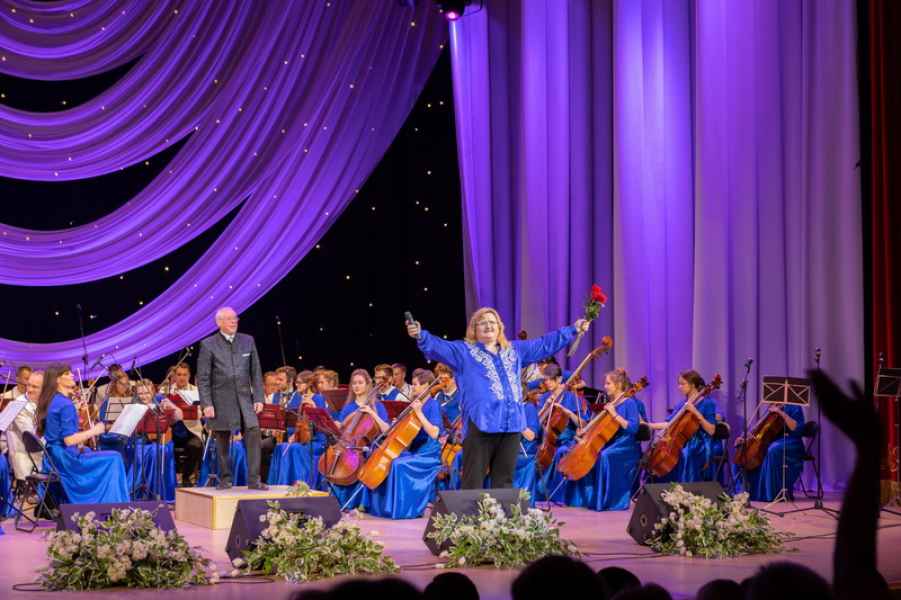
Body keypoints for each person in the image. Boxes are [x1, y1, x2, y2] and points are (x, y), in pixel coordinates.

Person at [408, 307, 588, 489]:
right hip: (481, 424)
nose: (488, 326)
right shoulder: (464, 352)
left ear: (500, 327)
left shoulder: (514, 350)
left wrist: (572, 329)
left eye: (492, 322)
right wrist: (420, 335)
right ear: (474, 329)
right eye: (483, 323)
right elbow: (438, 346)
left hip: (511, 424)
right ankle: (472, 509)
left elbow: (544, 344)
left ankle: (501, 509)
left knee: (504, 482)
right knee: (473, 482)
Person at [35, 364, 129, 504]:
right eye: (67, 373)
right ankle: (113, 505)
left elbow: (57, 435)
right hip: (66, 460)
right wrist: (95, 430)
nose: (72, 375)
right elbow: (69, 440)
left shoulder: (52, 400)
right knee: (114, 457)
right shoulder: (65, 404)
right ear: (57, 380)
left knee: (88, 450)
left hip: (53, 458)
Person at [196, 306, 267, 490]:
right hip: (221, 400)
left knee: (253, 432)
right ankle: (226, 479)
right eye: (229, 319)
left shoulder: (247, 340)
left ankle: (254, 479)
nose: (234, 321)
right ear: (219, 322)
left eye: (235, 318)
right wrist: (206, 403)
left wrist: (259, 397)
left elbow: (256, 371)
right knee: (222, 438)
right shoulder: (208, 344)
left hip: (245, 400)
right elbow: (203, 378)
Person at [362, 368, 443, 518]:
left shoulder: (433, 405)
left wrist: (418, 412)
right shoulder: (414, 405)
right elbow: (400, 432)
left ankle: (401, 509)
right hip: (414, 450)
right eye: (412, 384)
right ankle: (379, 508)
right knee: (388, 460)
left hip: (428, 452)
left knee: (398, 464)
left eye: (416, 384)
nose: (413, 388)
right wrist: (397, 423)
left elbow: (434, 433)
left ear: (426, 386)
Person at [561, 368, 646, 510]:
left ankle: (608, 501)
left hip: (626, 445)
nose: (605, 387)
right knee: (588, 453)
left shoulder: (629, 403)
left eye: (608, 383)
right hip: (611, 442)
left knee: (604, 456)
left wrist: (614, 414)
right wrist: (585, 432)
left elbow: (633, 428)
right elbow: (601, 427)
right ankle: (584, 499)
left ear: (618, 385)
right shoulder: (610, 403)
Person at [326, 369, 389, 508]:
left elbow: (386, 430)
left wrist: (372, 412)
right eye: (354, 383)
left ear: (367, 385)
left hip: (369, 447)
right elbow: (342, 430)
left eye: (360, 383)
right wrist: (337, 425)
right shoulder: (349, 407)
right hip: (348, 445)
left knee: (361, 460)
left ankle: (360, 501)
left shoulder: (377, 406)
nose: (356, 386)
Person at [647, 370, 720, 483]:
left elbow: (711, 430)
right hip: (683, 441)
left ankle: (687, 490)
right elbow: (669, 424)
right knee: (660, 456)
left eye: (682, 384)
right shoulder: (682, 404)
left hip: (700, 442)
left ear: (693, 385)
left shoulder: (708, 403)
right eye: (678, 384)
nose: (679, 387)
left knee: (686, 453)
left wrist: (696, 412)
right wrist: (649, 425)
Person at [535, 364, 590, 503]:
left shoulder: (571, 397)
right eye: (545, 380)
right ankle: (538, 492)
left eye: (550, 379)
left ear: (559, 379)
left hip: (567, 440)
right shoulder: (544, 398)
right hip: (547, 439)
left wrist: (568, 412)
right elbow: (537, 423)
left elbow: (583, 424)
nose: (547, 383)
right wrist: (546, 407)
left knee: (562, 451)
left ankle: (557, 495)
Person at [733, 402, 806, 502]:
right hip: (772, 440)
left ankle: (771, 493)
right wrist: (746, 439)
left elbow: (797, 429)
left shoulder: (795, 406)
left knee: (773, 449)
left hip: (791, 441)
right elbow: (761, 430)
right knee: (743, 450)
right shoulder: (774, 406)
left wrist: (780, 412)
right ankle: (743, 491)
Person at [160, 362, 203, 487]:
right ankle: (170, 478)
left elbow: (201, 412)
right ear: (175, 376)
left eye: (185, 375)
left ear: (189, 376)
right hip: (172, 429)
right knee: (166, 447)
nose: (182, 378)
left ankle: (186, 477)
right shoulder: (167, 390)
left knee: (196, 446)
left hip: (192, 429)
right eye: (179, 374)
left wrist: (196, 412)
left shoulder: (195, 390)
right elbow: (161, 411)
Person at [6, 370, 43, 481]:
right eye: (29, 385)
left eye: (35, 387)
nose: (29, 389)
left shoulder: (44, 403)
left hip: (40, 455)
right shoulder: (18, 405)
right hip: (26, 459)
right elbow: (32, 439)